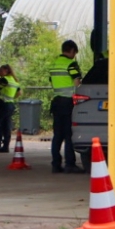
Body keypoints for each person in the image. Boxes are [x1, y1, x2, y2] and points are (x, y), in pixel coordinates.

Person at [49, 40, 83, 174]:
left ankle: (56, 164)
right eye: (75, 53)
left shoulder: (54, 64)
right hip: (68, 102)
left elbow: (52, 81)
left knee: (57, 135)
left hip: (56, 102)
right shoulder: (71, 64)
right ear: (72, 51)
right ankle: (70, 164)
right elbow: (77, 82)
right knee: (69, 134)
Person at [0, 64, 20, 153]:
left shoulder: (4, 80)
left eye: (1, 70)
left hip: (2, 104)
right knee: (6, 126)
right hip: (10, 104)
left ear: (6, 71)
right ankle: (5, 146)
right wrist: (11, 97)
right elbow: (19, 93)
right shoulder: (14, 80)